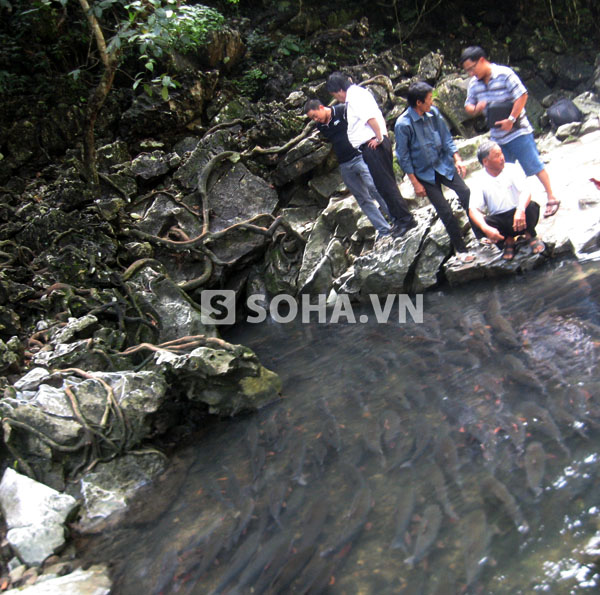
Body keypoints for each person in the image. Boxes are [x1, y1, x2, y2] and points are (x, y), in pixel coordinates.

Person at [460, 46, 560, 219]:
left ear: (482, 61)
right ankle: (515, 208)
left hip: (518, 130)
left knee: (533, 165)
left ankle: (551, 197)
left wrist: (511, 119)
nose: (470, 73)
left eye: (472, 68)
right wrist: (477, 108)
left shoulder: (504, 74)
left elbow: (522, 95)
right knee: (504, 173)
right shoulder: (474, 84)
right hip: (497, 137)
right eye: (467, 70)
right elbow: (468, 106)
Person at [326, 72, 417, 237]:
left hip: (373, 145)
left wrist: (379, 137)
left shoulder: (354, 98)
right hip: (371, 144)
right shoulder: (358, 94)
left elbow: (369, 118)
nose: (336, 98)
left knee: (386, 185)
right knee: (383, 185)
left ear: (339, 90)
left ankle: (406, 220)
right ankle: (399, 219)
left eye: (334, 95)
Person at [394, 81, 475, 262]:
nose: (432, 101)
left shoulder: (434, 113)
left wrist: (457, 159)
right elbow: (403, 157)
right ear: (418, 103)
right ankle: (461, 250)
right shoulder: (403, 125)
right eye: (429, 99)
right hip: (424, 175)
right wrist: (415, 183)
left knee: (465, 192)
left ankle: (479, 233)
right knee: (445, 211)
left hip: (443, 164)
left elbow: (446, 137)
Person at [304, 99, 394, 241]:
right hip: (344, 164)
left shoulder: (342, 110)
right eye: (312, 118)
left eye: (316, 115)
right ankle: (383, 229)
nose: (316, 119)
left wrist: (377, 136)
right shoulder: (321, 127)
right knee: (362, 198)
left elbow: (364, 120)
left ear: (321, 107)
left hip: (359, 155)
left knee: (375, 187)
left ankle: (396, 218)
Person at [469, 140, 545, 261]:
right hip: (500, 220)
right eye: (497, 156)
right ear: (485, 162)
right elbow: (473, 209)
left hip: (519, 216)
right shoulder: (479, 180)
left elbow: (526, 191)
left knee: (531, 207)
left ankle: (530, 234)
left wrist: (520, 209)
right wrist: (485, 228)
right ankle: (507, 241)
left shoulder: (512, 169)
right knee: (477, 221)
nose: (502, 158)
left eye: (501, 154)